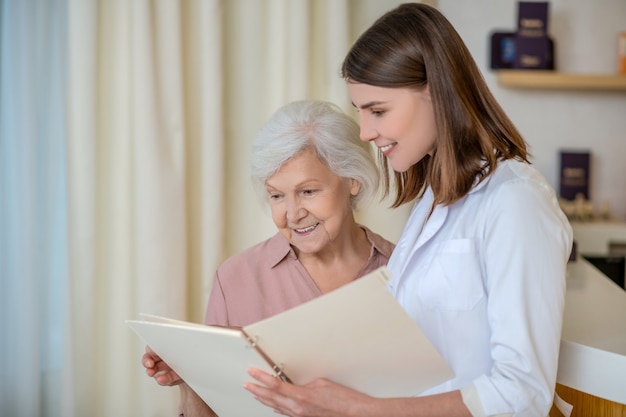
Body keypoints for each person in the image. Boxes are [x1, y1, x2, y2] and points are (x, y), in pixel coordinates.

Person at [243, 3, 573, 417]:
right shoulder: (434, 201)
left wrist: (361, 410)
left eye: (378, 110)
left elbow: (522, 393)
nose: (365, 132)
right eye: (360, 112)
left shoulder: (517, 201)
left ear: (435, 90)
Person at [141, 99, 395, 416]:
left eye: (309, 191)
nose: (293, 214)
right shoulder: (236, 279)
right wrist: (190, 377)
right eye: (277, 195)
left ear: (352, 180)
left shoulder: (402, 270)